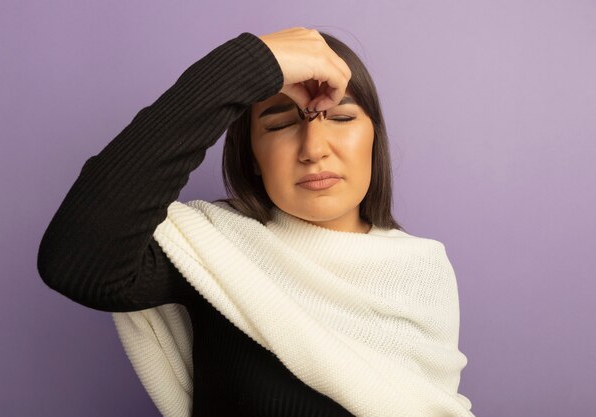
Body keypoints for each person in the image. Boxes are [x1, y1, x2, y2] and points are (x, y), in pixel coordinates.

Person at [37, 27, 474, 417]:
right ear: (252, 156)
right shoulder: (213, 252)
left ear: (373, 138)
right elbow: (77, 260)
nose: (314, 148)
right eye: (281, 124)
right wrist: (245, 64)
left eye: (341, 118)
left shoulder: (424, 270)